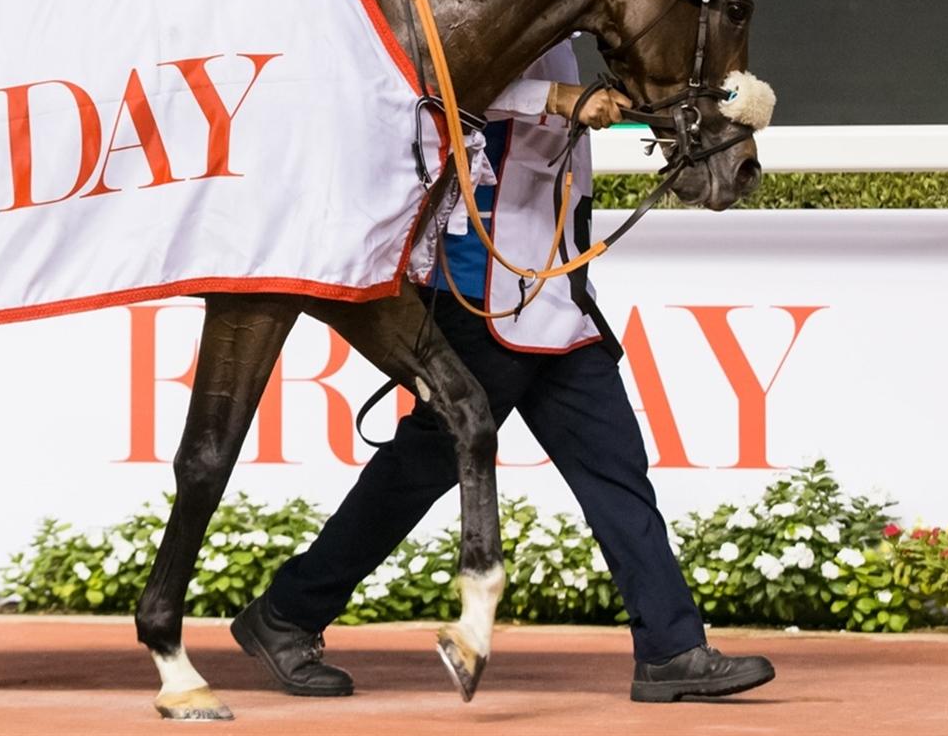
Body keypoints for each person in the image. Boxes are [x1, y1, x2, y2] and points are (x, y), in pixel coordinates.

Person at [231, 38, 775, 703]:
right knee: (416, 473)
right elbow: (431, 89)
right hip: (481, 296)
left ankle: (672, 649)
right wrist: (557, 99)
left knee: (618, 475)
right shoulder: (498, 11)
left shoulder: (571, 38)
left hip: (561, 304)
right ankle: (286, 613)